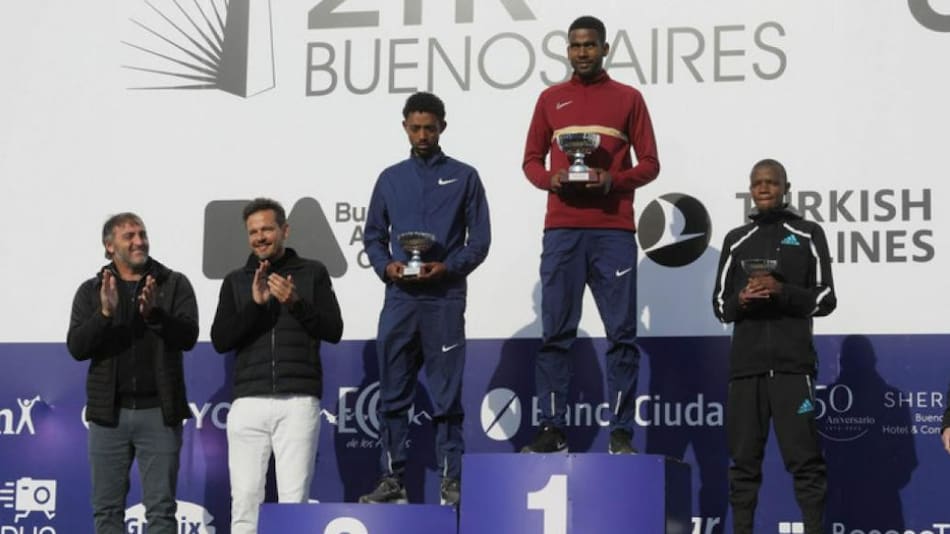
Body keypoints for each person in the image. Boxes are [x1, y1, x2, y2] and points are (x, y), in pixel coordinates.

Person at [520, 15, 660, 454]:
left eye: (590, 45)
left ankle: (620, 431)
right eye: (575, 45)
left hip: (612, 232)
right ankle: (552, 427)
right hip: (562, 231)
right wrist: (551, 181)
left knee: (621, 335)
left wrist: (611, 181)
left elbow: (650, 163)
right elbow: (530, 161)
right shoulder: (550, 99)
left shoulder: (628, 98)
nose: (582, 52)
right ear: (568, 50)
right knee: (556, 334)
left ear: (605, 48)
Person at [359, 91, 491, 506]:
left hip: (444, 298)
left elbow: (480, 240)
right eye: (415, 127)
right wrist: (387, 266)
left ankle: (451, 481)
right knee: (394, 395)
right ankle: (392, 478)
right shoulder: (390, 177)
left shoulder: (465, 176)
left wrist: (448, 267)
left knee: (447, 396)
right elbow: (373, 236)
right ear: (404, 127)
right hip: (400, 299)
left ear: (442, 128)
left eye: (429, 128)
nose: (422, 135)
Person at [712, 159, 837, 534]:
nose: (764, 188)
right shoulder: (736, 240)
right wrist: (744, 299)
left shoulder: (807, 233)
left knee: (805, 462)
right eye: (757, 183)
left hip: (792, 369)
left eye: (772, 182)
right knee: (743, 464)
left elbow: (827, 297)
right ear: (750, 189)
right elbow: (720, 305)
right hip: (745, 371)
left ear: (786, 187)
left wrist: (781, 291)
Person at [210, 198, 343, 534]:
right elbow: (221, 340)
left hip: (298, 403)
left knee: (294, 504)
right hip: (248, 404)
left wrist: (295, 303)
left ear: (284, 230)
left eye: (267, 229)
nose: (260, 237)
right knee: (244, 503)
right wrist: (255, 307)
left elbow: (333, 330)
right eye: (253, 232)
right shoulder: (236, 281)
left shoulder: (312, 273)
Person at [67, 213, 198, 534]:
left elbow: (188, 337)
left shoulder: (174, 283)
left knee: (161, 512)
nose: (139, 241)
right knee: (107, 511)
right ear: (109, 246)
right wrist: (104, 314)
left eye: (142, 234)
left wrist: (155, 314)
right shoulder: (91, 290)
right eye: (129, 236)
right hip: (108, 417)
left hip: (159, 413)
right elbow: (77, 347)